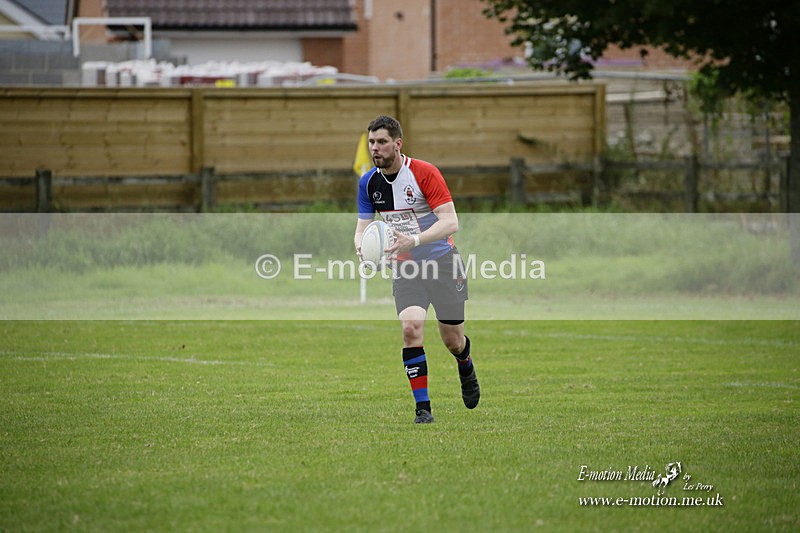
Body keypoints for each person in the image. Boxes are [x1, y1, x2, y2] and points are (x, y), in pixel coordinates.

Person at [353, 115, 480, 424]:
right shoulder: (368, 182)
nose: (375, 148)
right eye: (371, 142)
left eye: (382, 142)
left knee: (453, 340)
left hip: (443, 262)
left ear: (398, 144)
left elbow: (451, 222)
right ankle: (423, 409)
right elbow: (362, 229)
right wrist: (363, 250)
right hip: (406, 267)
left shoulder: (424, 173)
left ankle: (465, 362)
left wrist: (414, 240)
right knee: (410, 329)